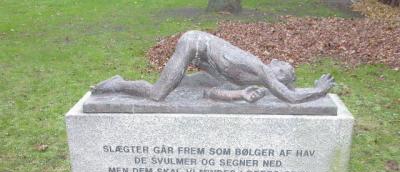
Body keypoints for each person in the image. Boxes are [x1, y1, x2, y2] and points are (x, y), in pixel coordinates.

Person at [92, 30, 334, 103]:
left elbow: (213, 93)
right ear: (275, 65)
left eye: (287, 76)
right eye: (285, 70)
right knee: (158, 94)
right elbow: (291, 98)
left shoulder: (254, 81)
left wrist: (239, 94)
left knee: (184, 88)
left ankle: (123, 84)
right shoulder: (260, 68)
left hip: (208, 64)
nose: (282, 76)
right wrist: (320, 90)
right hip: (194, 45)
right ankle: (117, 83)